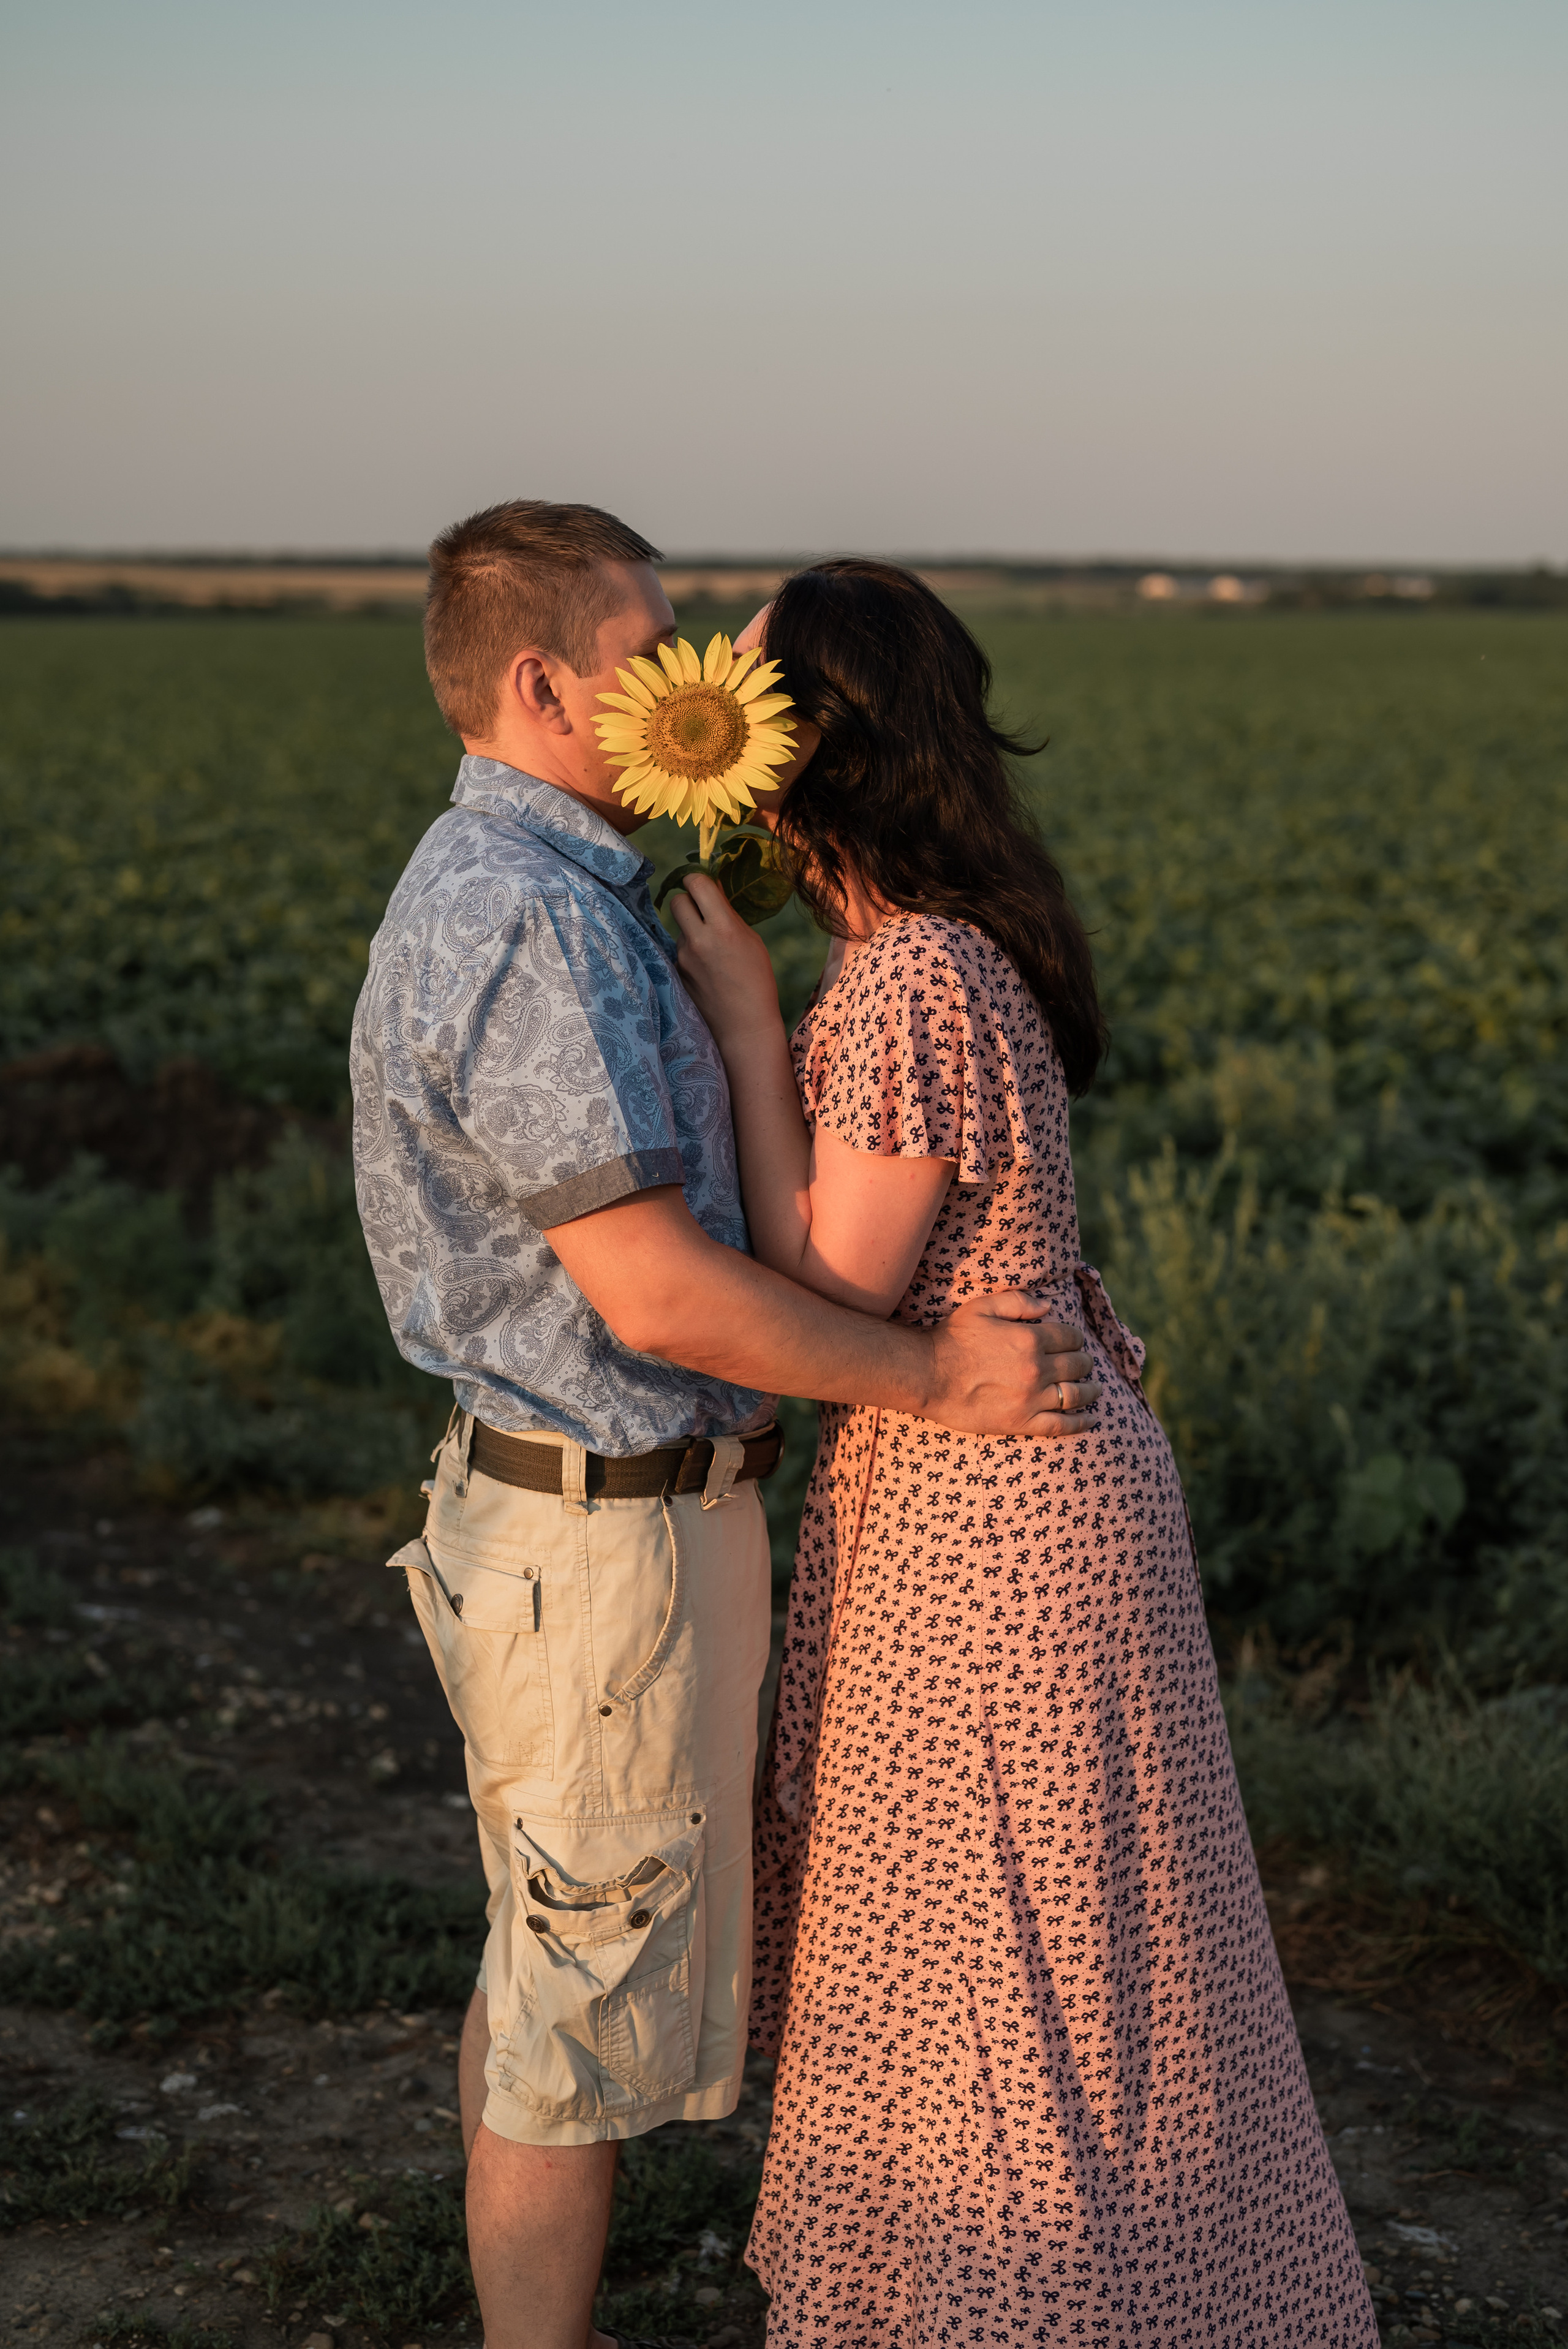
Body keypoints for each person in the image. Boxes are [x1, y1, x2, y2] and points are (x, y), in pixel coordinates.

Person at [349, 502, 1102, 2349]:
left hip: (605, 1522)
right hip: (602, 1538)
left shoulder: (567, 889)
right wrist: (941, 1381)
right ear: (546, 686)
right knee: (575, 2021)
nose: (697, 690)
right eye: (656, 655)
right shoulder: (528, 915)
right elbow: (657, 1294)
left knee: (557, 1961)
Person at [672, 560, 1378, 2348]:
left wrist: (748, 1025)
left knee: (999, 1964)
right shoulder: (953, 950)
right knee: (1081, 1951)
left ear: (811, 750)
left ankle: (1018, 2310)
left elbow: (836, 1284)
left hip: (989, 1514)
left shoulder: (907, 975)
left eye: (744, 698)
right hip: (1026, 1491)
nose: (710, 724)